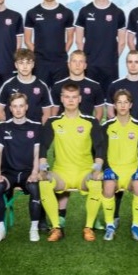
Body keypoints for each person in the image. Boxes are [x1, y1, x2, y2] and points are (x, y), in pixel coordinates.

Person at [38, 83, 106, 242]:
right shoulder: (53, 121)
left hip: (84, 173)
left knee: (96, 182)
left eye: (74, 97)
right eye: (67, 97)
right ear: (61, 99)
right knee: (44, 182)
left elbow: (100, 148)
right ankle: (56, 228)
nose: (70, 100)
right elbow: (43, 147)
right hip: (62, 173)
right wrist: (43, 169)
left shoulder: (91, 121)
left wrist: (97, 169)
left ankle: (88, 227)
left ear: (80, 99)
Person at [0, 93, 43, 242]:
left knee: (34, 187)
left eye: (21, 106)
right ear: (10, 108)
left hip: (28, 172)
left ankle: (34, 228)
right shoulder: (2, 127)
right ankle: (0, 229)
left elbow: (37, 153)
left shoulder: (35, 127)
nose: (18, 109)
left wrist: (35, 172)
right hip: (9, 173)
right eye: (15, 106)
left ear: (26, 107)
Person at [101, 90, 138, 241]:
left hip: (131, 170)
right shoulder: (106, 126)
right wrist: (107, 168)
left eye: (125, 102)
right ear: (114, 105)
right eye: (119, 102)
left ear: (130, 105)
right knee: (108, 186)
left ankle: (136, 226)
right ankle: (110, 226)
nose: (122, 105)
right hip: (114, 169)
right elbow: (101, 151)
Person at [75, 0, 127, 95]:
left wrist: (112, 58)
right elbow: (78, 40)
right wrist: (85, 60)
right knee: (89, 98)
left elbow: (122, 41)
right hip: (90, 65)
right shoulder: (85, 11)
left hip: (110, 66)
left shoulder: (117, 12)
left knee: (110, 99)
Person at [24, 0, 74, 87]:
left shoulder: (66, 12)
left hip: (60, 63)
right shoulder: (32, 13)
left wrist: (61, 53)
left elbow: (70, 38)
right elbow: (27, 40)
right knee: (40, 93)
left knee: (60, 93)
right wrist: (38, 55)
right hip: (40, 63)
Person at [0, 48, 53, 124]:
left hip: (35, 130)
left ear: (33, 64)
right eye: (21, 63)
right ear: (16, 65)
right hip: (13, 130)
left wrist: (39, 129)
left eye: (28, 63)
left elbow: (47, 114)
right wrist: (11, 125)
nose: (25, 67)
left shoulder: (42, 86)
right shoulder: (8, 85)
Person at [50, 50, 105, 120]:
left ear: (85, 66)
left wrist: (93, 125)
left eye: (81, 62)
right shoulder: (58, 86)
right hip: (64, 126)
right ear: (69, 65)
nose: (77, 65)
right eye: (74, 61)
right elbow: (54, 112)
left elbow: (99, 112)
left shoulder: (95, 86)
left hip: (86, 126)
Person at [106, 50, 138, 123]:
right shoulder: (114, 85)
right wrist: (120, 127)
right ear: (126, 64)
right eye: (130, 62)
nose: (133, 65)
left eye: (136, 62)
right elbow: (110, 113)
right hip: (120, 128)